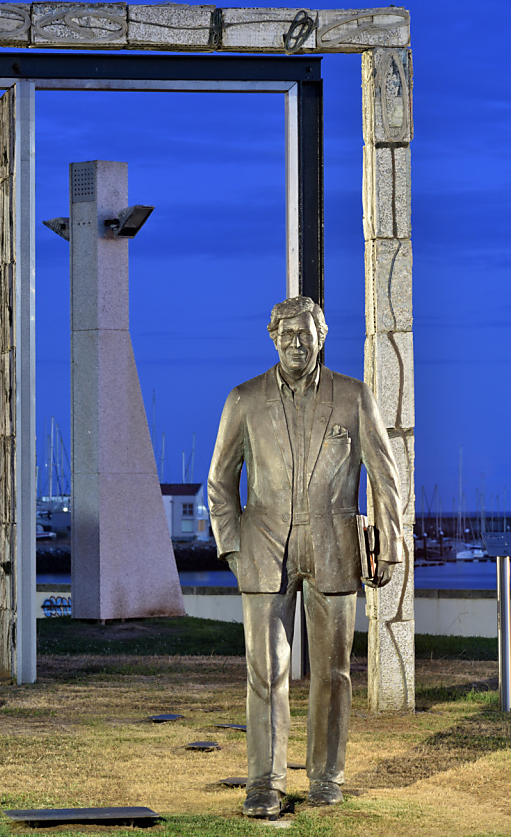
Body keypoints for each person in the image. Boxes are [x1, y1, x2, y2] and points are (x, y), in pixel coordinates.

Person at [207, 295, 403, 817]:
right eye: (287, 334)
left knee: (333, 673)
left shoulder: (354, 397)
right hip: (264, 548)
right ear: (273, 337)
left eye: (306, 334)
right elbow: (219, 484)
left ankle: (326, 778)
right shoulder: (244, 400)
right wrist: (232, 545)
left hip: (335, 548)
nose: (297, 343)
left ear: (323, 336)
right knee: (264, 672)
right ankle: (264, 783)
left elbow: (385, 477)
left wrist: (388, 544)